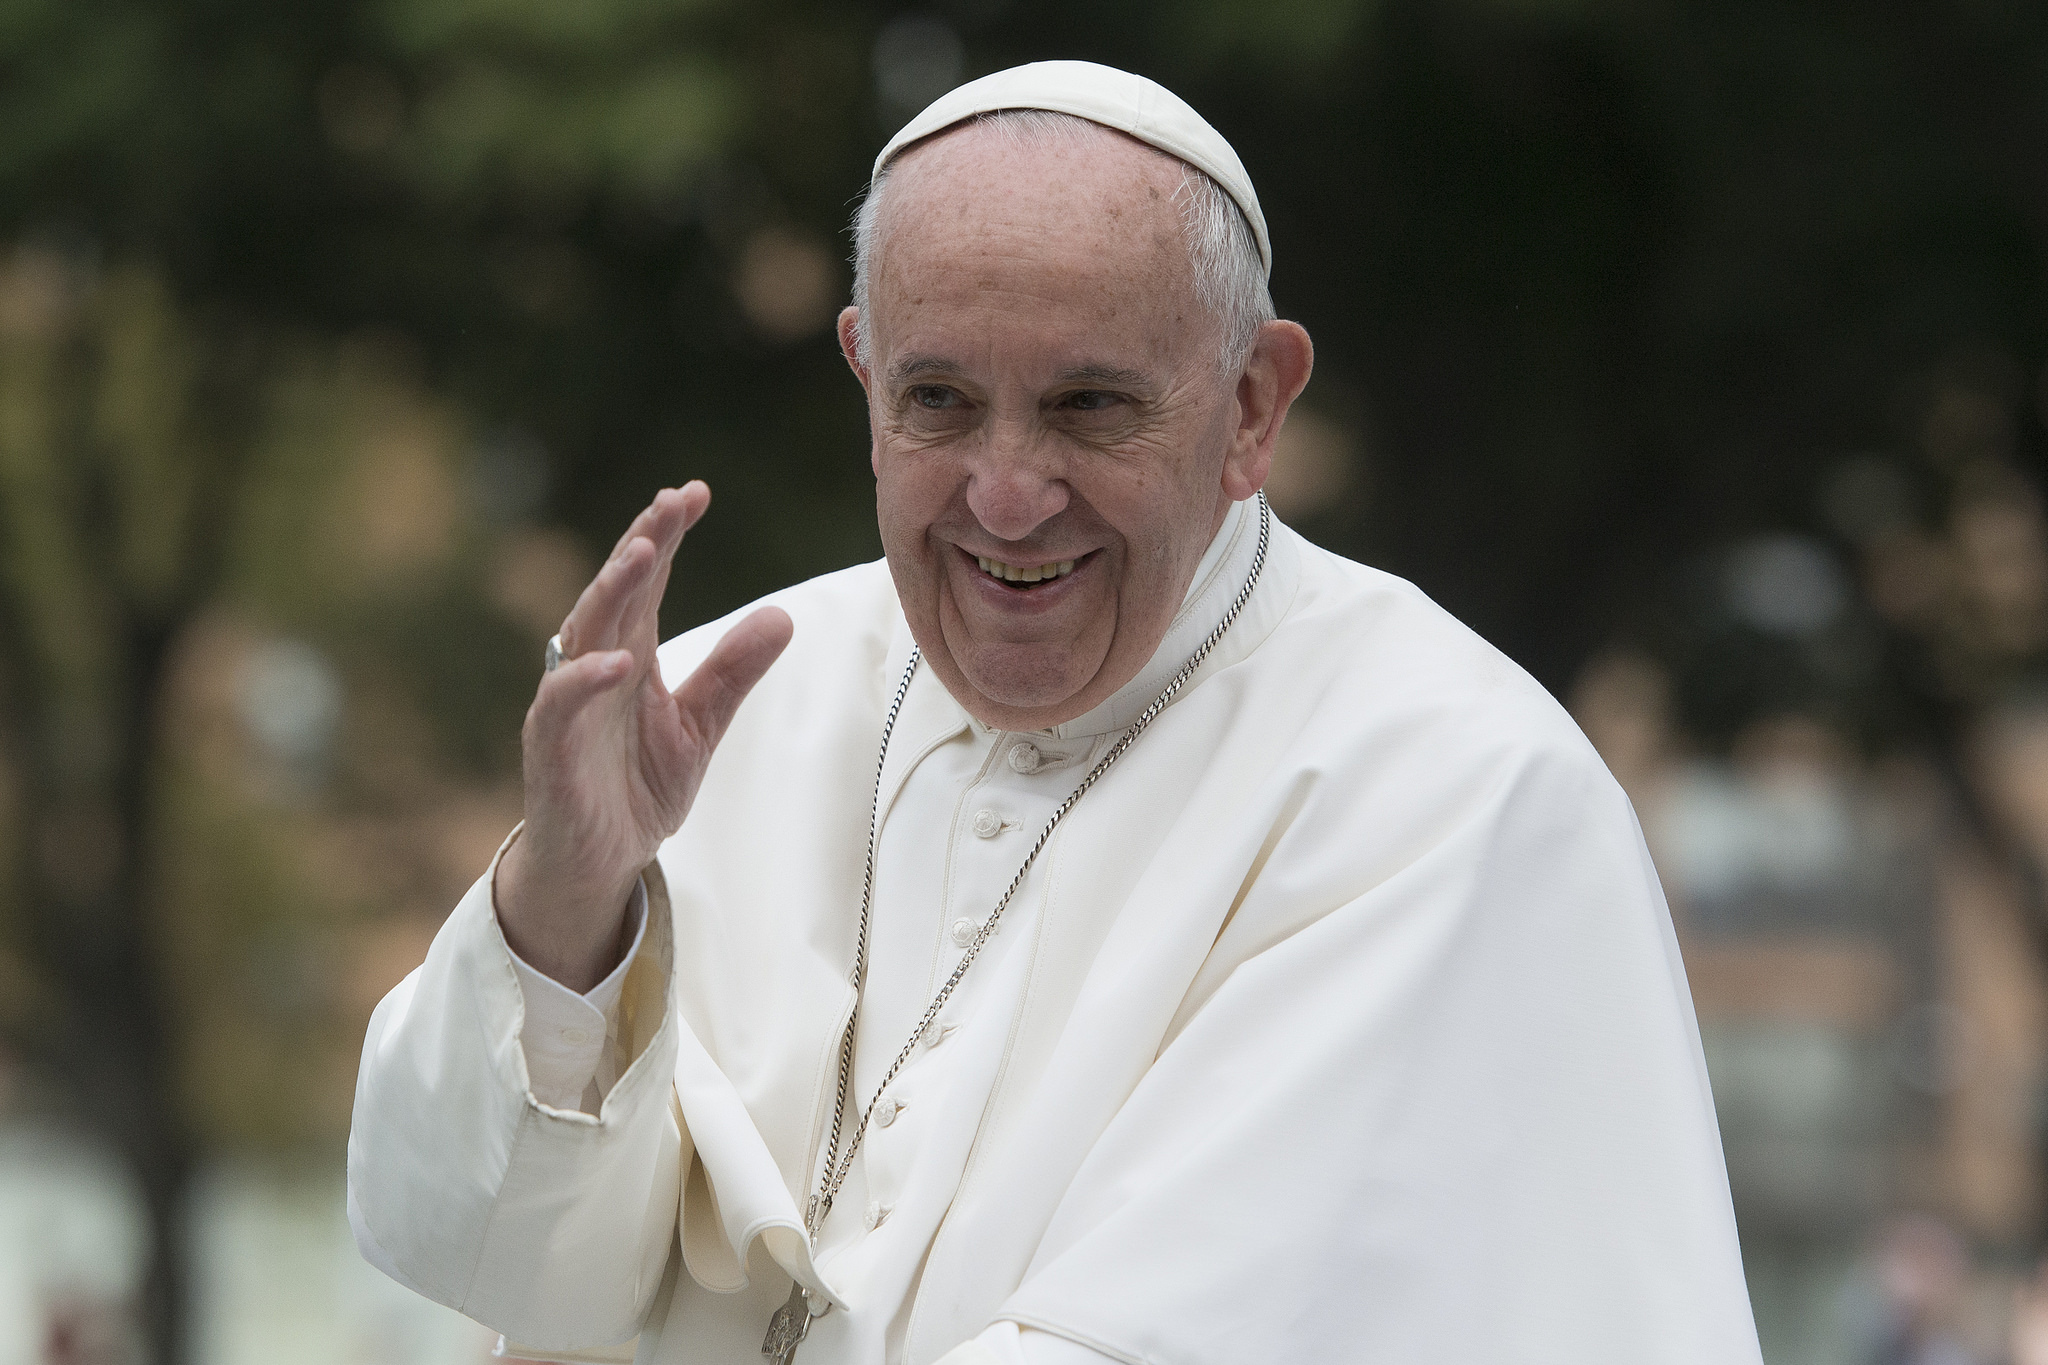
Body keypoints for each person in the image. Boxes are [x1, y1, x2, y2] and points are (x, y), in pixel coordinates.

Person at [348, 60, 1762, 1365]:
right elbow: (487, 1255)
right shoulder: (726, 707)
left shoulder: (1450, 784)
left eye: (1088, 407)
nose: (1007, 492)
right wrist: (568, 910)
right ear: (863, 374)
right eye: (941, 401)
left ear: (1253, 404)